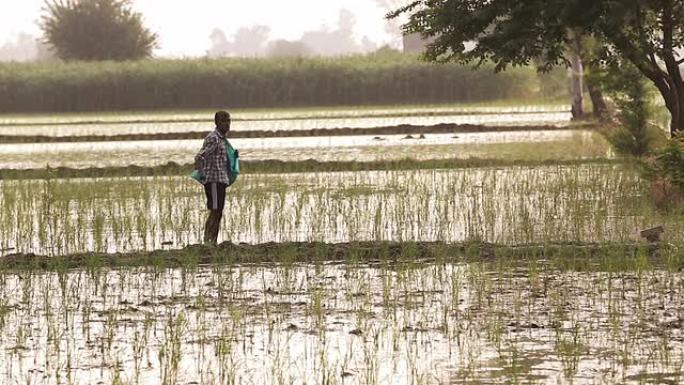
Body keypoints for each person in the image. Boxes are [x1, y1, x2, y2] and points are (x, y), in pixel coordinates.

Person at [194, 110, 233, 245]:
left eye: (228, 121)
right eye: (224, 121)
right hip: (214, 181)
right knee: (215, 210)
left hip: (221, 180)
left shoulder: (222, 139)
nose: (227, 124)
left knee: (218, 211)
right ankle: (207, 242)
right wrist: (202, 175)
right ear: (217, 123)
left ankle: (212, 241)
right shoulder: (214, 138)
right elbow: (200, 156)